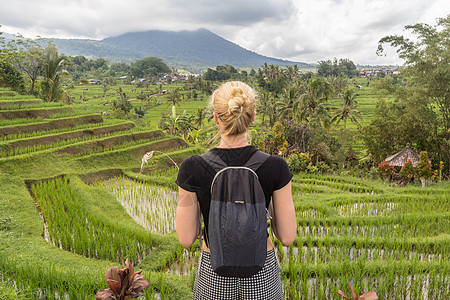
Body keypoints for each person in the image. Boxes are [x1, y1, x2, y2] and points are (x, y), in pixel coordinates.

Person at [175, 81, 296, 300]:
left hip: (213, 271)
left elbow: (185, 238)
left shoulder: (191, 167)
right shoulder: (275, 166)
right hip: (261, 269)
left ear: (215, 118)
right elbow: (287, 237)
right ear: (252, 117)